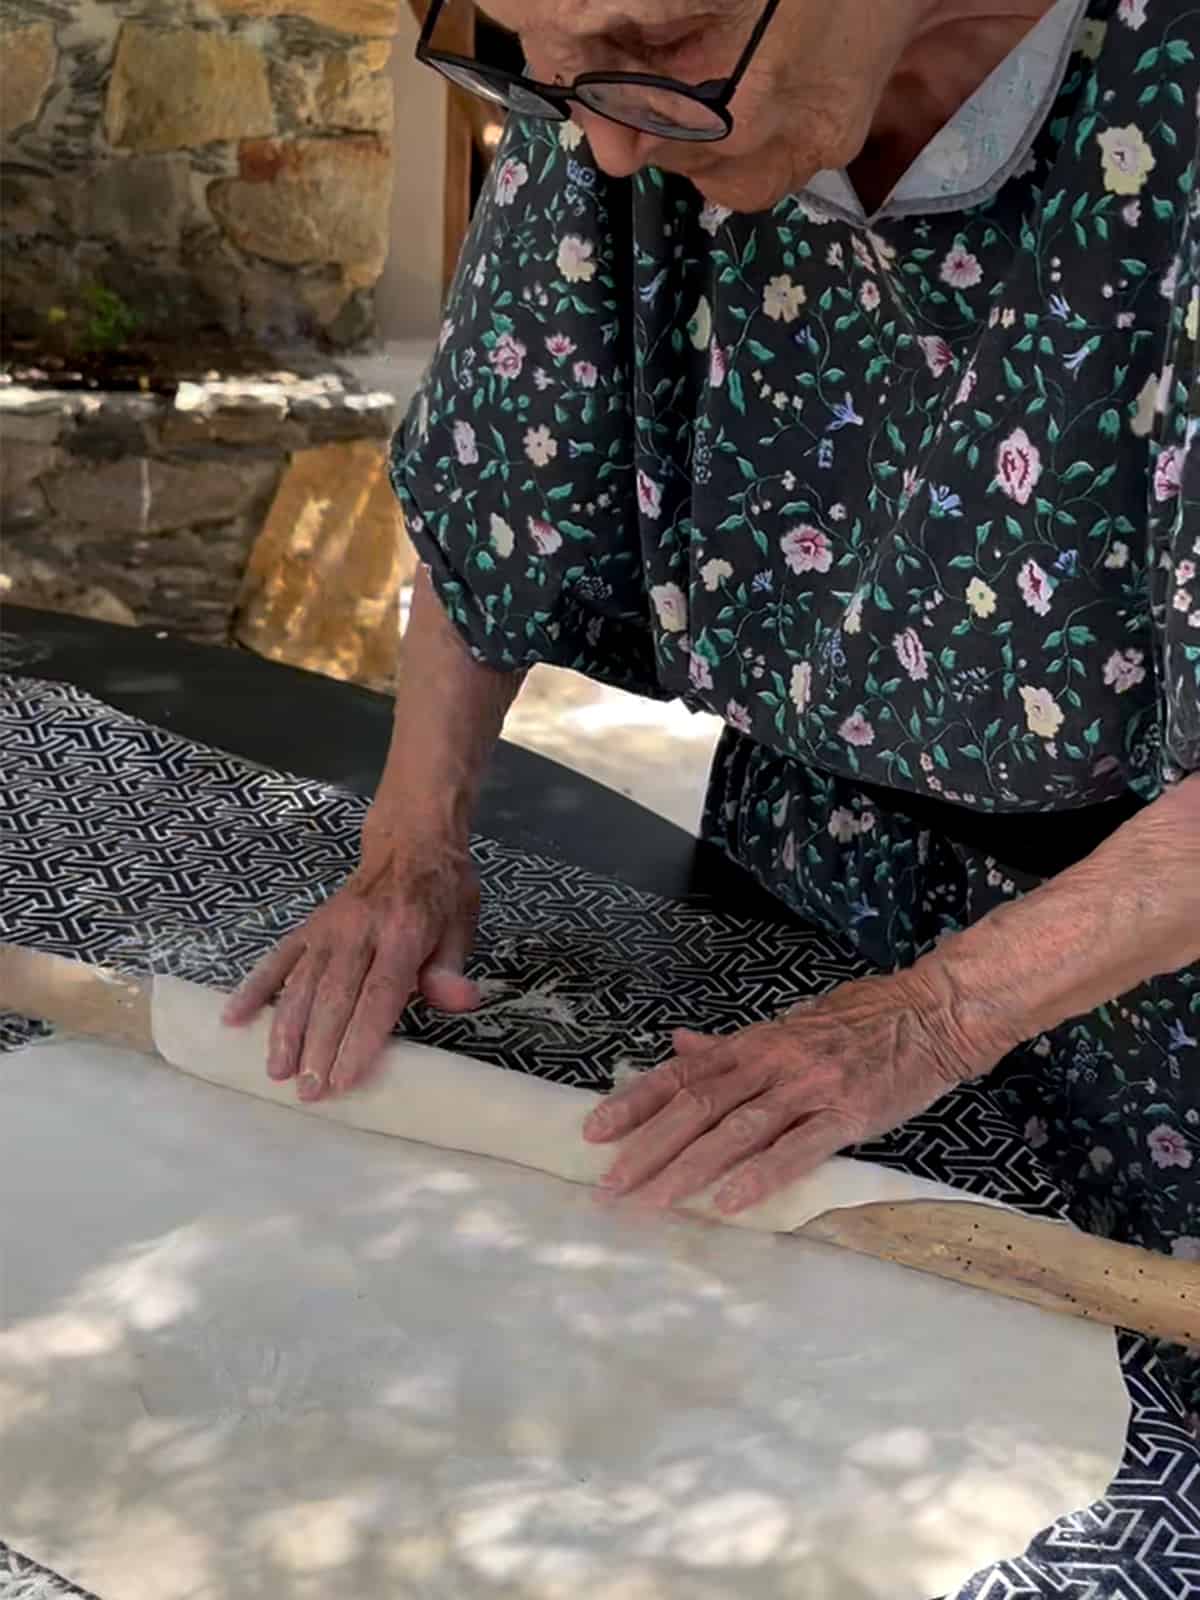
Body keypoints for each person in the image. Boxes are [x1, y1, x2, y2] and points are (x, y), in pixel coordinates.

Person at [227, 0, 1200, 1407]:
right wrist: (411, 846)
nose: (609, 150)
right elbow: (498, 464)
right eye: (535, 62)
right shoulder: (613, 70)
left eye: (661, 48)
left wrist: (933, 1018)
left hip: (1150, 970)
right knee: (708, 1366)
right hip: (796, 880)